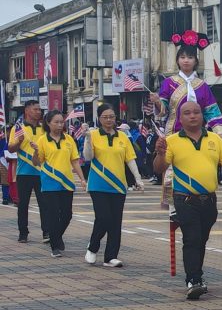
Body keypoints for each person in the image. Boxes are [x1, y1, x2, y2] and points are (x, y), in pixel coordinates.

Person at [154, 101, 222, 299]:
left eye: (196, 112)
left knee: (201, 240)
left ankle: (197, 276)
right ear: (180, 118)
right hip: (184, 199)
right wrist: (161, 153)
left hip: (209, 200)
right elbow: (159, 168)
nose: (192, 116)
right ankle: (193, 280)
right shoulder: (172, 140)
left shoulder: (215, 139)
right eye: (187, 113)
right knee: (192, 238)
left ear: (202, 116)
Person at [83, 104, 143, 267]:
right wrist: (88, 139)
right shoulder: (93, 134)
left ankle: (110, 256)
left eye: (112, 116)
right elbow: (88, 157)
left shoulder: (123, 137)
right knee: (103, 217)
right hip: (98, 184)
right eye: (105, 117)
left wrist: (138, 178)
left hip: (118, 185)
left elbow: (130, 159)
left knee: (116, 221)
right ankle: (93, 247)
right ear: (99, 118)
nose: (109, 120)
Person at [151, 30, 222, 140]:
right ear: (177, 61)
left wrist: (220, 132)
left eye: (190, 57)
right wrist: (157, 101)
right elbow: (163, 111)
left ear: (195, 61)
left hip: (199, 136)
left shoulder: (203, 86)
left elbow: (212, 112)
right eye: (182, 57)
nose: (186, 61)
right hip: (173, 134)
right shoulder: (169, 82)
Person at [30, 110, 86, 258]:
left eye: (62, 122)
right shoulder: (42, 140)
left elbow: (74, 160)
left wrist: (82, 179)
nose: (60, 125)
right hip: (49, 182)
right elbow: (36, 162)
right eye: (56, 122)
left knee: (67, 214)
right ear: (48, 123)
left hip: (66, 182)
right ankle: (55, 246)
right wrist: (35, 152)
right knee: (53, 215)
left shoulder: (69, 140)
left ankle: (56, 236)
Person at [9, 101, 46, 243]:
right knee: (23, 204)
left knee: (44, 204)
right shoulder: (18, 128)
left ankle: (46, 232)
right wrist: (19, 141)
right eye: (35, 109)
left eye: (39, 109)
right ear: (27, 111)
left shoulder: (44, 128)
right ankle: (23, 233)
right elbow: (11, 148)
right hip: (24, 173)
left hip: (42, 172)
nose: (39, 112)